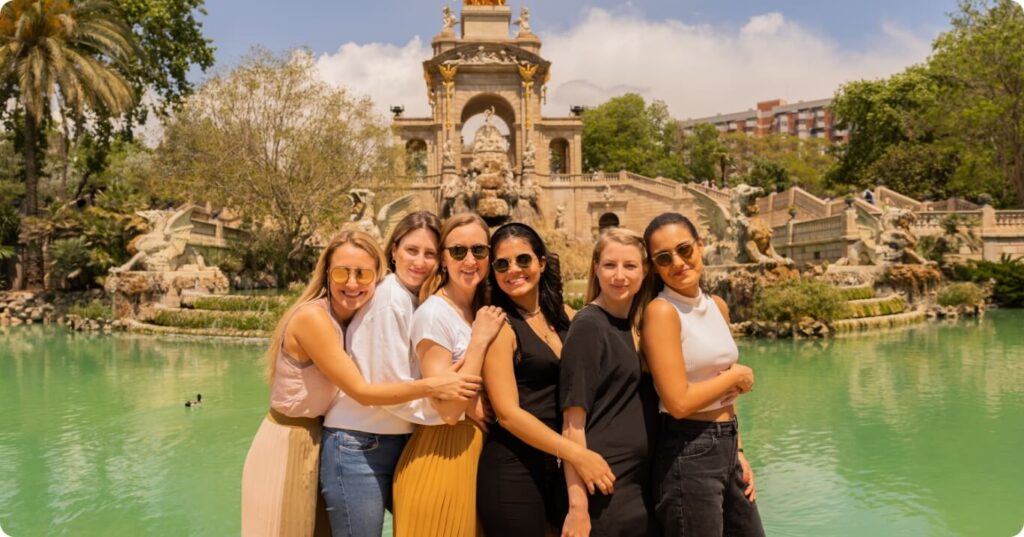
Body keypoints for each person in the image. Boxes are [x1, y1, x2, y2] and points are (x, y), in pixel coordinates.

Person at [241, 230, 481, 537]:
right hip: (289, 443)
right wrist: (435, 386)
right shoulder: (314, 319)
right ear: (326, 272)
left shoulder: (351, 316)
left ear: (377, 277)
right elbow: (363, 393)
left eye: (363, 274)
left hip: (317, 439)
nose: (352, 283)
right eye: (342, 272)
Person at [320, 213, 457, 537]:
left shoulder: (413, 299)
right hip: (357, 444)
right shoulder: (390, 299)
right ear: (393, 250)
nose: (420, 262)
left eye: (430, 253)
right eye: (412, 250)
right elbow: (390, 387)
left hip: (387, 442)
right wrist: (452, 412)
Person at [476, 223, 616, 536]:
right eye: (502, 264)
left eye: (523, 260)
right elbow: (508, 415)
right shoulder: (500, 326)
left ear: (541, 262)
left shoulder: (565, 316)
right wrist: (578, 455)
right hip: (513, 471)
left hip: (558, 470)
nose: (513, 270)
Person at [639, 212, 764, 537]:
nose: (678, 262)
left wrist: (738, 451)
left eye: (685, 250)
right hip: (688, 451)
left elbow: (721, 388)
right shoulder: (662, 311)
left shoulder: (717, 305)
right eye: (664, 258)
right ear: (654, 266)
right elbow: (678, 402)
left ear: (701, 245)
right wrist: (735, 378)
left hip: (726, 446)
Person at [392, 213, 506, 537]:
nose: (469, 260)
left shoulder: (478, 306)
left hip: (473, 456)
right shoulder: (433, 315)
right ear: (444, 259)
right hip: (442, 455)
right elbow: (450, 410)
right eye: (458, 252)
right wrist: (480, 341)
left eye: (479, 251)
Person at [560, 227, 658, 537]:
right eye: (610, 265)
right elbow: (571, 423)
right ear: (596, 269)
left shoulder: (639, 323)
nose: (619, 275)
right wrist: (578, 507)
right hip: (605, 484)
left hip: (641, 482)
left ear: (645, 271)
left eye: (630, 266)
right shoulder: (588, 326)